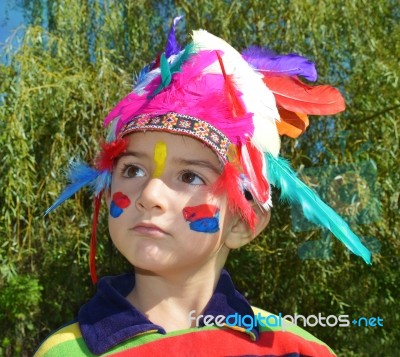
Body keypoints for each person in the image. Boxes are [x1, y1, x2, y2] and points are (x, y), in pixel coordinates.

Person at [34, 21, 371, 356]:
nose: (150, 195)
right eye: (133, 169)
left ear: (242, 222)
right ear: (106, 194)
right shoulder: (63, 352)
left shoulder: (294, 348)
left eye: (190, 177)